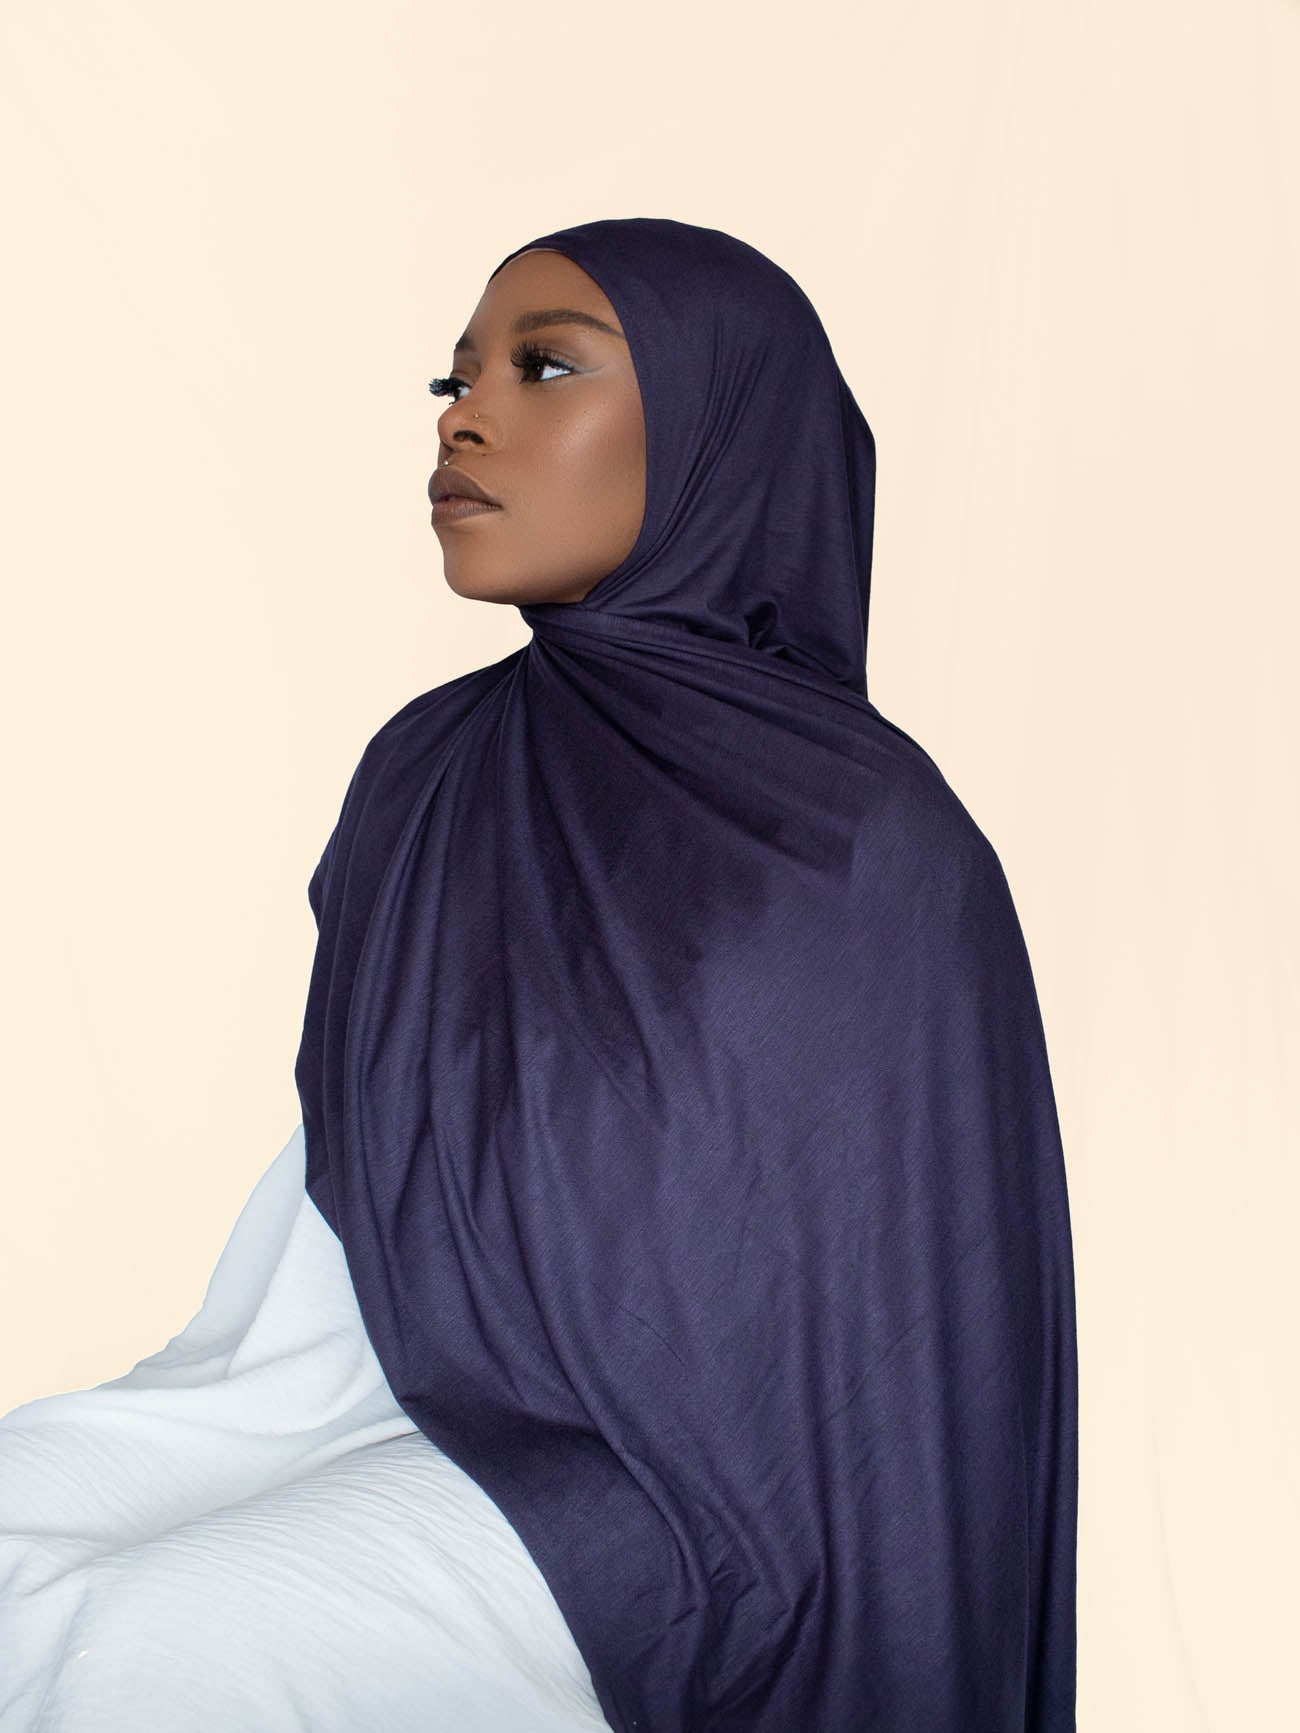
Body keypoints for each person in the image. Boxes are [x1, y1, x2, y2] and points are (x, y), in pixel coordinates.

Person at [0, 217, 1078, 1733]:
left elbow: (906, 1354)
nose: (466, 418)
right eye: (456, 381)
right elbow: (353, 1200)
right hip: (366, 1384)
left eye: (548, 367)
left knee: (147, 1646)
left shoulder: (858, 841)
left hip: (700, 1505)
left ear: (717, 431)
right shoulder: (429, 771)